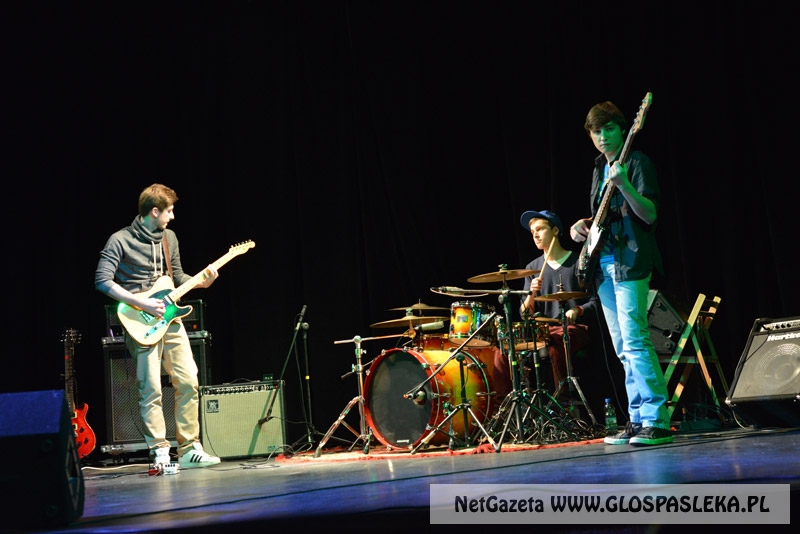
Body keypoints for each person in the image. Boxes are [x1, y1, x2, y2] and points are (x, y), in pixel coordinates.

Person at [95, 183, 222, 470]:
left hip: (171, 319)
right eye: (169, 211)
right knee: (150, 388)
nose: (172, 216)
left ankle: (189, 448)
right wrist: (142, 303)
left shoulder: (169, 238)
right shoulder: (120, 240)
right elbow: (102, 280)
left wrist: (202, 282)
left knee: (189, 380)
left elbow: (176, 277)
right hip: (141, 322)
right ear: (154, 211)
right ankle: (160, 450)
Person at [570, 100, 673, 446]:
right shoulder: (599, 169)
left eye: (609, 129)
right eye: (596, 131)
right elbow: (605, 216)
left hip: (630, 262)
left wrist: (625, 184)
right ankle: (637, 418)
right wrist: (582, 226)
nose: (603, 136)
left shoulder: (637, 162)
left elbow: (649, 214)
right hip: (602, 266)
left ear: (624, 129)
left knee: (636, 339)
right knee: (622, 347)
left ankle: (656, 420)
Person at [517, 210, 598, 402]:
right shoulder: (532, 268)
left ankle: (564, 402)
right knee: (505, 350)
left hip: (576, 329)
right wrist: (532, 294)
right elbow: (524, 314)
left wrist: (577, 310)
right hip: (545, 331)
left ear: (555, 230)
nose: (535, 235)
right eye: (532, 232)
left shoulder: (578, 261)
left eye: (540, 229)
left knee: (555, 342)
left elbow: (597, 301)